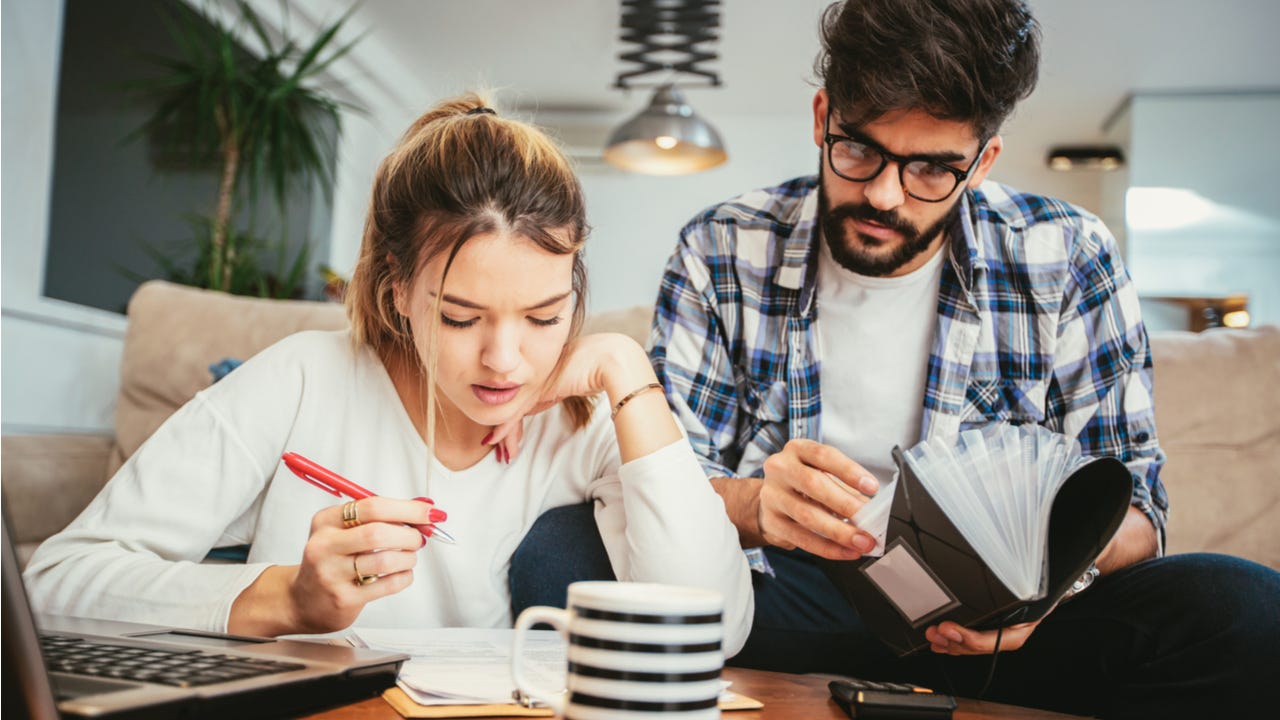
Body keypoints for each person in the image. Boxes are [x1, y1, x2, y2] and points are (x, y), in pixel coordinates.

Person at [646, 1, 1280, 718]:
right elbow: (663, 480)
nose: (883, 195)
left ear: (983, 162)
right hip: (792, 597)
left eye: (932, 169)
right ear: (824, 117)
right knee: (561, 552)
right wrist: (756, 506)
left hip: (1012, 631)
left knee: (1248, 611)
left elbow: (1140, 513)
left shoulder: (1068, 254)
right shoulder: (722, 246)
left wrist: (1050, 587)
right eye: (858, 149)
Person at [22, 94, 753, 654]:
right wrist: (286, 600)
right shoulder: (304, 379)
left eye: (542, 316)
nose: (505, 361)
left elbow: (711, 628)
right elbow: (52, 583)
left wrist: (629, 372)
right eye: (461, 317)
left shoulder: (588, 418)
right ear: (398, 290)